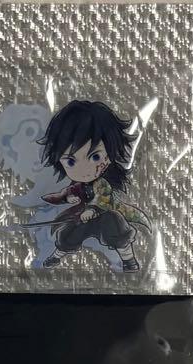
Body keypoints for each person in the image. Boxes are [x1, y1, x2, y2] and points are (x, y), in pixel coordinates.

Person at [34, 99, 150, 271]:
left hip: (106, 215)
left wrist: (93, 210)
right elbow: (68, 193)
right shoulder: (79, 185)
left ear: (110, 155)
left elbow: (103, 198)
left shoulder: (102, 183)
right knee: (69, 234)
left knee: (118, 230)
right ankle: (55, 257)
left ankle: (129, 260)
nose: (84, 170)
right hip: (84, 217)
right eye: (71, 161)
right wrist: (67, 198)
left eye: (95, 156)